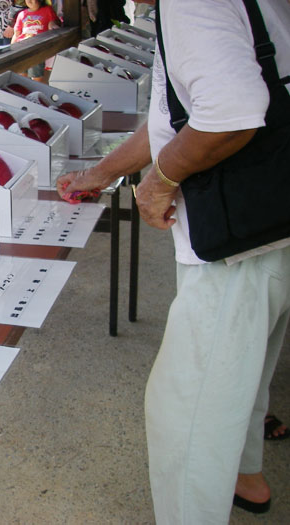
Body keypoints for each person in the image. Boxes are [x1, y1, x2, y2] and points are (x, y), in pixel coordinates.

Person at [57, 0, 290, 521]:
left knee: (186, 406)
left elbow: (230, 111)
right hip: (274, 219)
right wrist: (102, 173)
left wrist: (158, 182)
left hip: (237, 237)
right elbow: (178, 111)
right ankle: (244, 474)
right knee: (245, 367)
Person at [11, 0, 59, 83]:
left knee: (36, 76)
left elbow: (54, 22)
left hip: (37, 49)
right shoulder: (21, 14)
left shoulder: (47, 10)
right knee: (21, 75)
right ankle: (24, 89)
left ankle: (36, 89)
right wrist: (12, 49)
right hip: (22, 48)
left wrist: (53, 25)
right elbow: (16, 34)